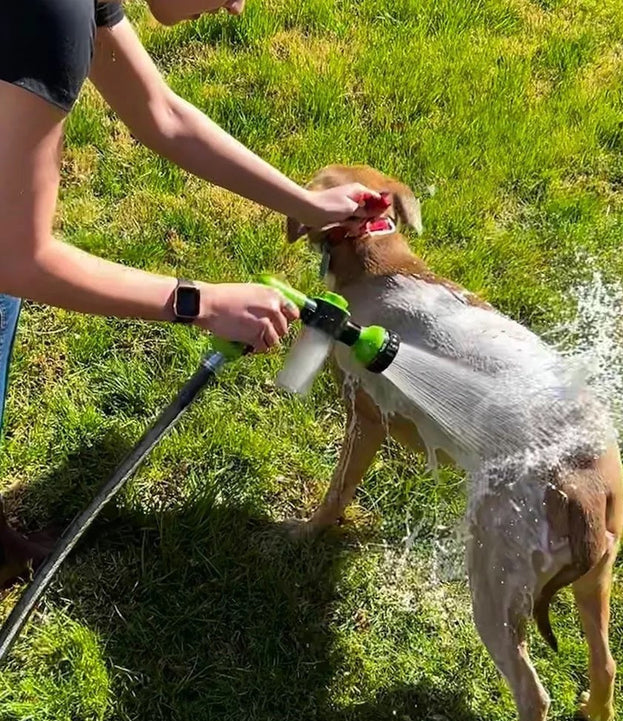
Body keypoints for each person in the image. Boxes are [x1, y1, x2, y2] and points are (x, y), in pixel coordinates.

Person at [0, 0, 382, 579]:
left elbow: (162, 114)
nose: (237, 7)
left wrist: (306, 204)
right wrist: (202, 303)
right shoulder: (46, 16)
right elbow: (15, 258)